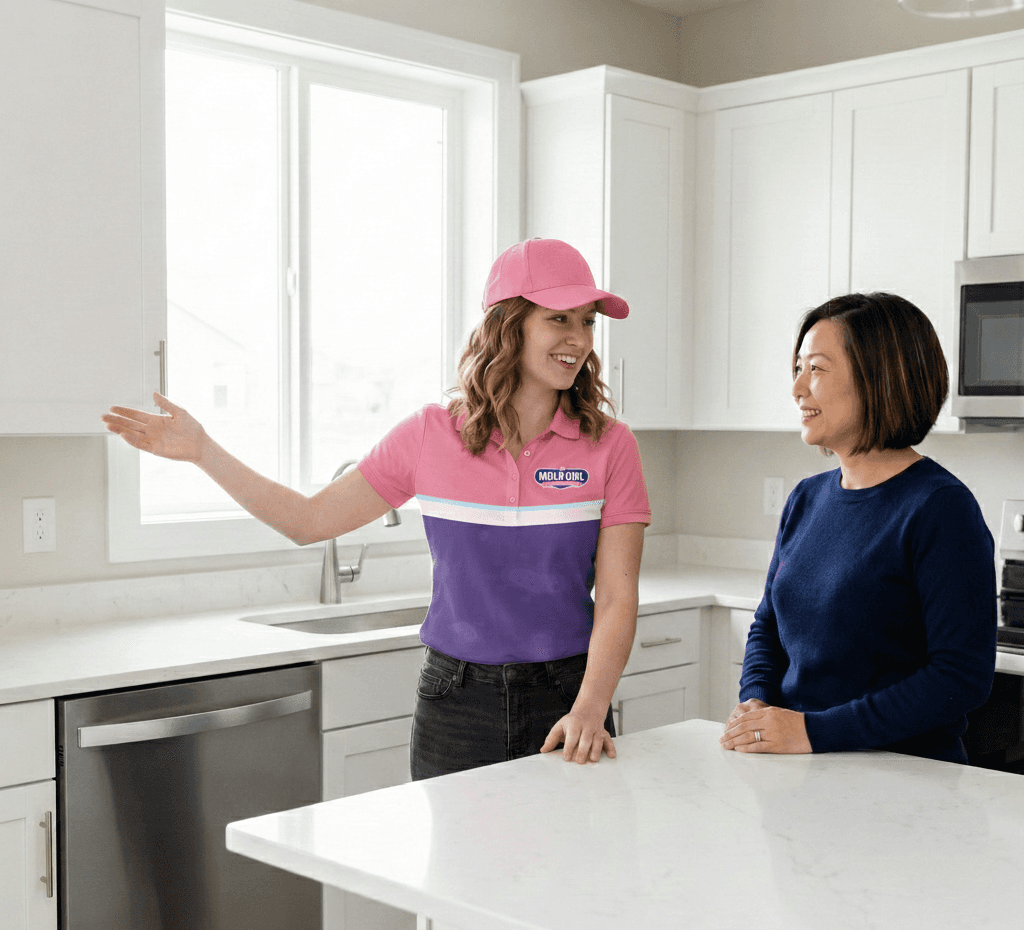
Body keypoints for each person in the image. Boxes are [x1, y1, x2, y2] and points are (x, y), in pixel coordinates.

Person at [103, 238, 651, 780]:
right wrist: (204, 451)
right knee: (457, 845)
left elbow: (617, 598)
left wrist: (590, 707)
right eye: (559, 319)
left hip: (568, 699)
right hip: (456, 705)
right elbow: (308, 521)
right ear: (509, 326)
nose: (579, 339)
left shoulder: (610, 446)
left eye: (588, 322)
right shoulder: (430, 435)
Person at [719, 292, 996, 764]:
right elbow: (769, 624)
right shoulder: (806, 498)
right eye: (798, 368)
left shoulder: (941, 508)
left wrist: (814, 731)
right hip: (802, 771)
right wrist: (758, 700)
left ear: (880, 380)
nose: (797, 388)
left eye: (816, 369)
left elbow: (960, 678)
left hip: (904, 780)